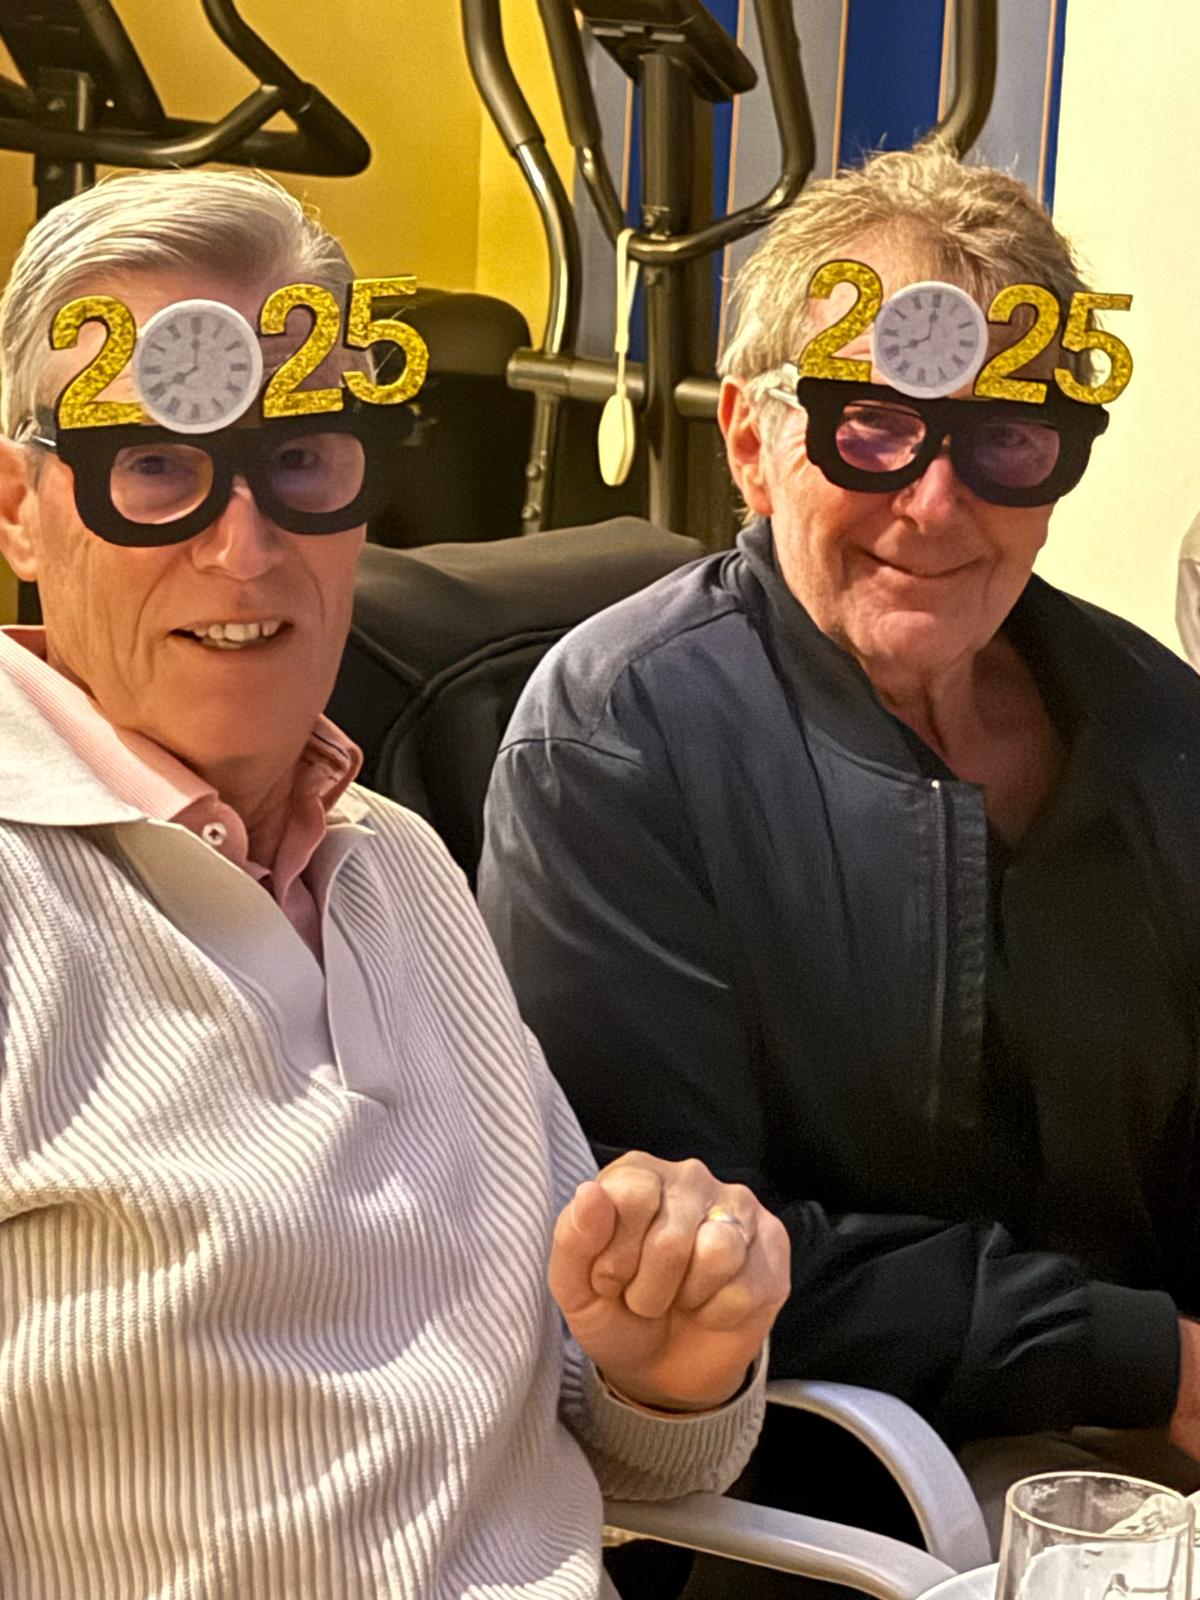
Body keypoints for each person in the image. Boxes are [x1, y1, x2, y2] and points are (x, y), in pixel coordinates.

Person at [0, 168, 791, 1600]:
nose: (245, 547)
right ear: (19, 509)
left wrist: (669, 1364)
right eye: (155, 467)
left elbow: (627, 1455)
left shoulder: (399, 863)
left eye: (303, 457)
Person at [478, 139, 1200, 1534]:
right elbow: (672, 1250)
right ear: (753, 445)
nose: (937, 503)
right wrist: (1145, 1359)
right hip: (857, 1488)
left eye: (1005, 438)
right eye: (871, 426)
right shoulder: (617, 742)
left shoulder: (1154, 722)